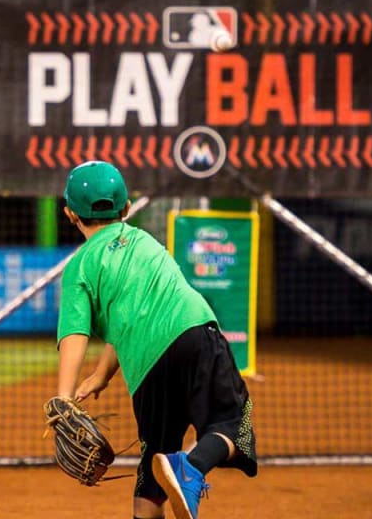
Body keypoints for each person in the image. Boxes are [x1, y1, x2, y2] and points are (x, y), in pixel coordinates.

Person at [54, 161, 257, 519]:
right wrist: (103, 373)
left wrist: (65, 395)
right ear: (127, 208)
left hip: (146, 371)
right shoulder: (144, 240)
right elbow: (144, 312)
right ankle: (190, 468)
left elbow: (76, 333)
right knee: (231, 424)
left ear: (70, 214)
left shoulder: (79, 268)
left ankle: (173, 479)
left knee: (152, 474)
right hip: (192, 333)